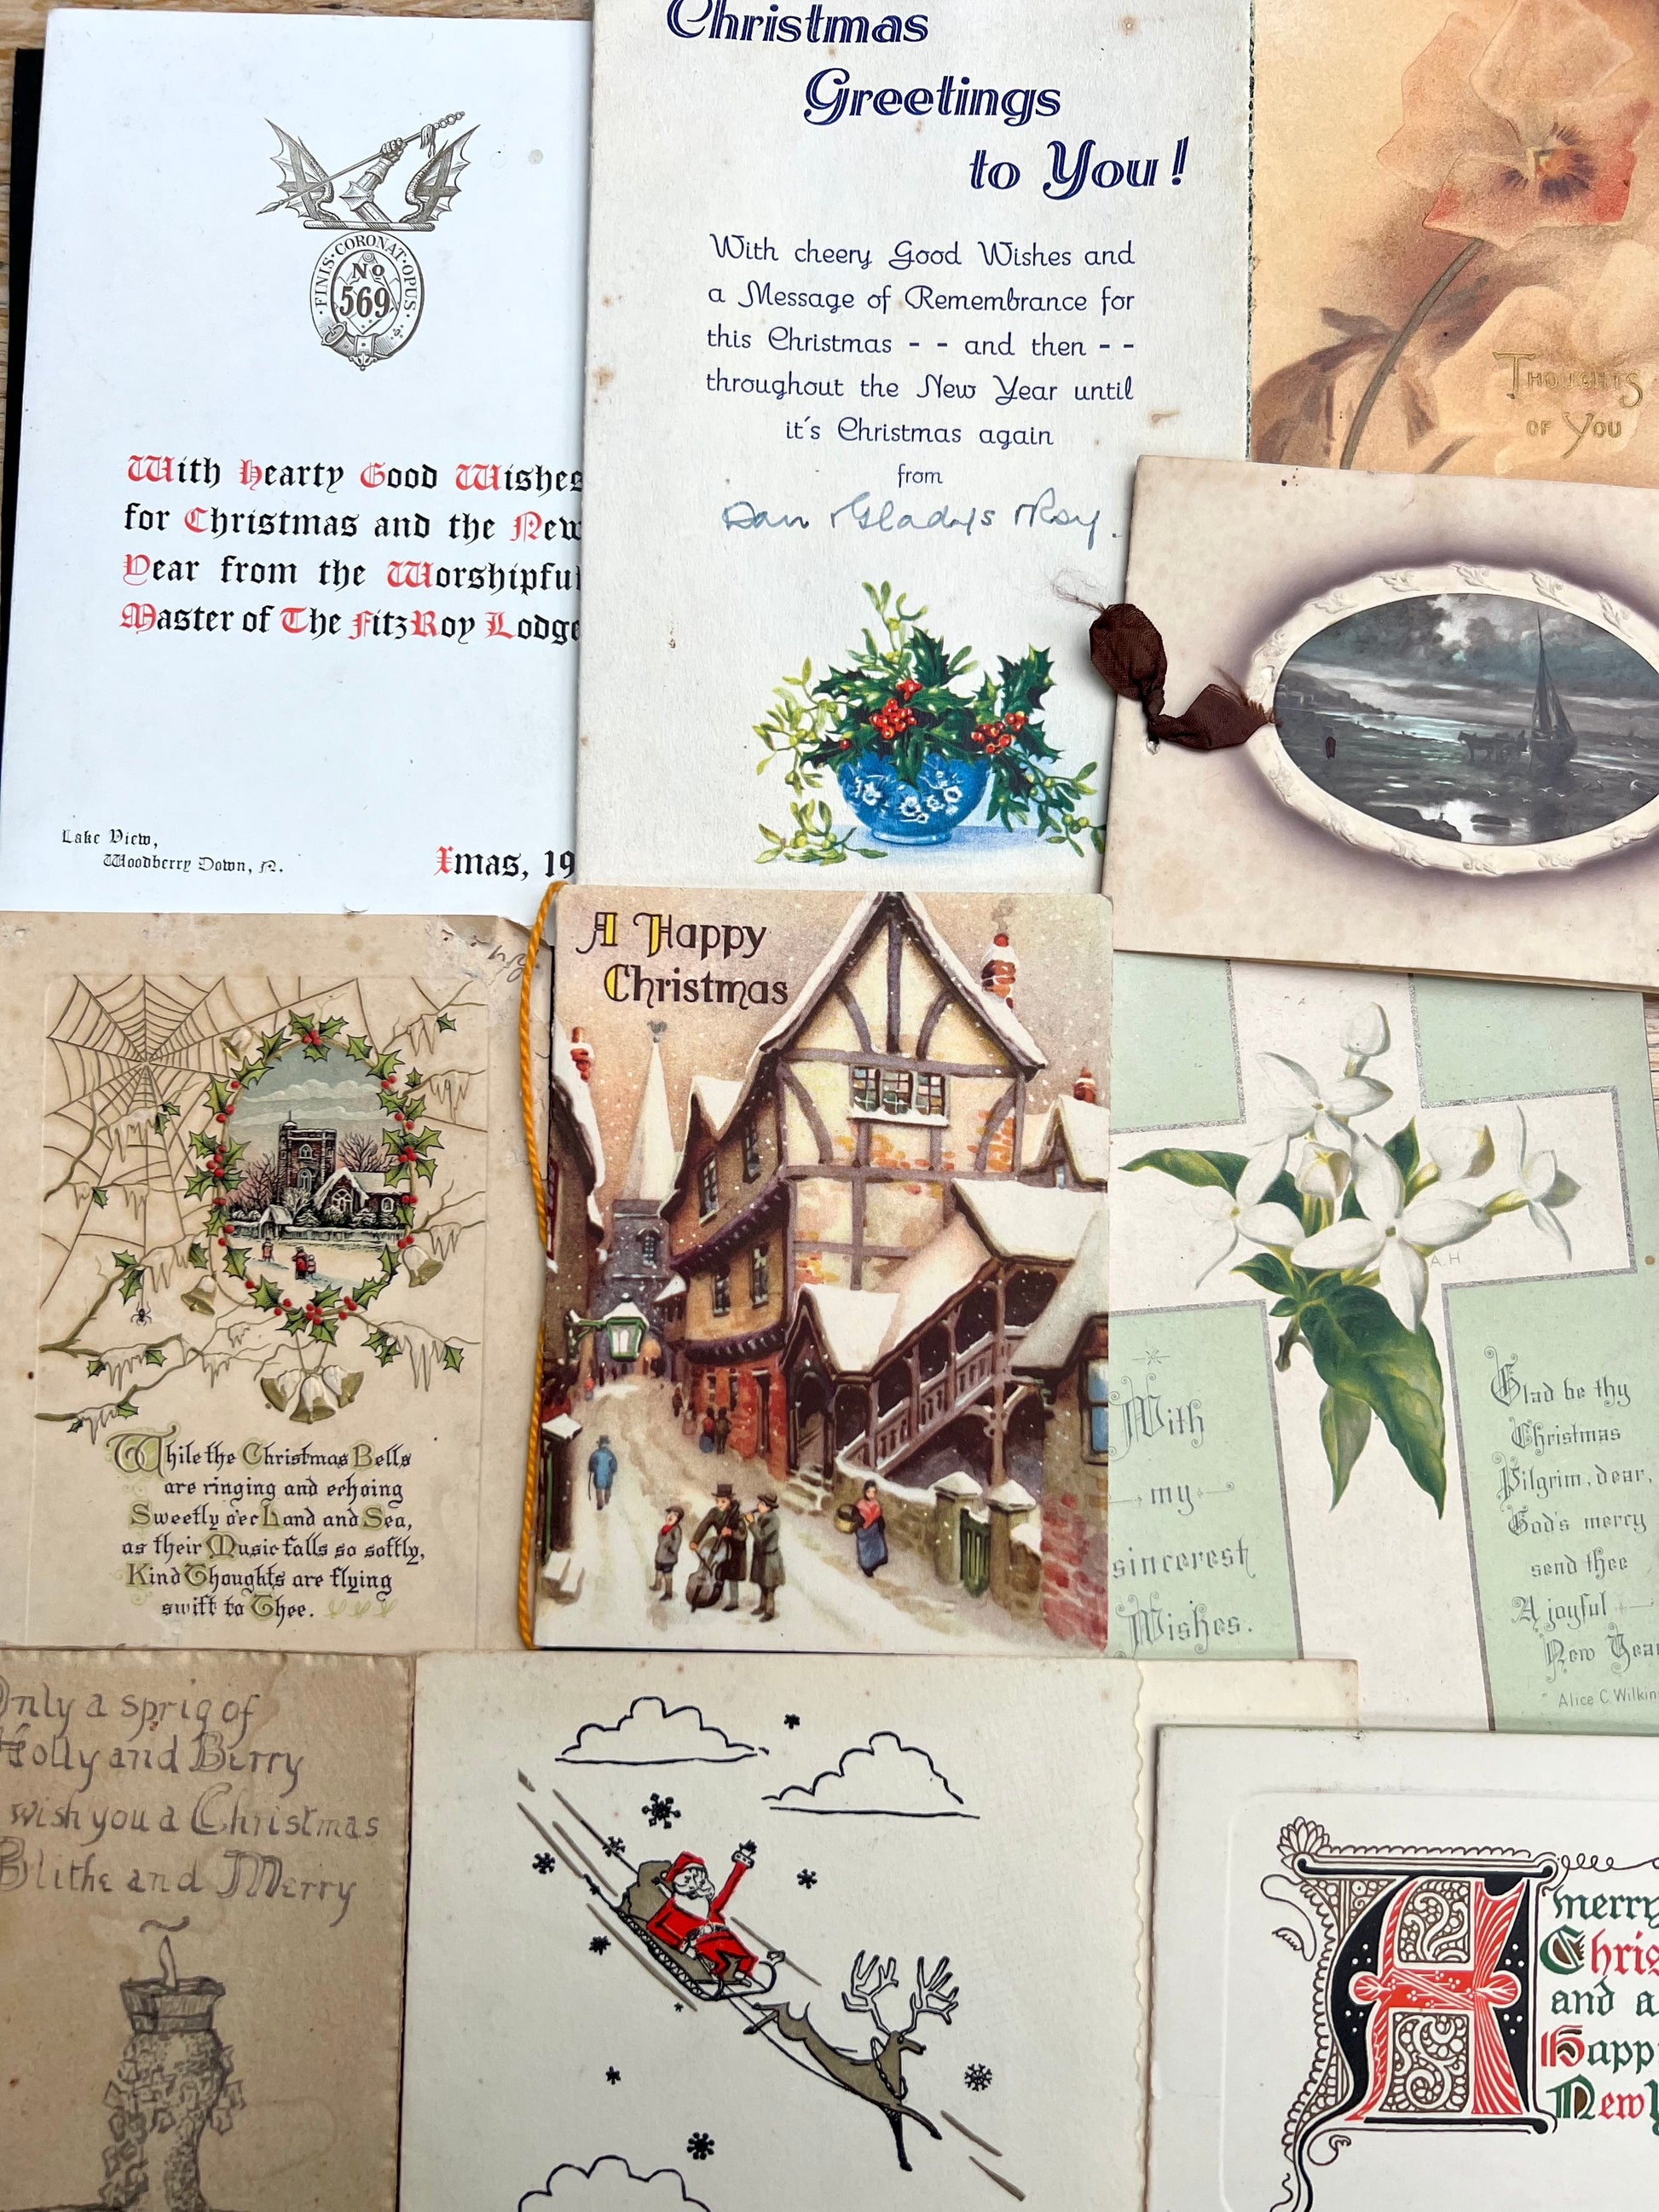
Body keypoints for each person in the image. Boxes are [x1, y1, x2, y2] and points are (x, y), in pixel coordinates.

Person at [645, 1845, 781, 1992]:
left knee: (739, 1949)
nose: (700, 1883)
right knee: (718, 1957)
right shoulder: (673, 1907)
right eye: (694, 1879)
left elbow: (727, 1891)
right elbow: (653, 1926)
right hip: (698, 1942)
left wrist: (741, 1865)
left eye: (702, 1879)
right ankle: (719, 1977)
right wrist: (681, 1944)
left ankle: (747, 1971)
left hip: (721, 1935)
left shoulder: (708, 1906)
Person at [693, 1483, 748, 1611]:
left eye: (723, 1502)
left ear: (730, 1501)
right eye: (717, 1501)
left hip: (735, 1548)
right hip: (721, 1546)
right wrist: (695, 1540)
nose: (719, 1504)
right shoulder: (714, 1513)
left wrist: (731, 1532)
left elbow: (743, 1535)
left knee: (732, 1574)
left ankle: (734, 1601)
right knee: (719, 1572)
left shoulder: (737, 1515)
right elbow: (704, 1525)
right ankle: (716, 1595)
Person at [748, 1492, 783, 1621]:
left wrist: (752, 1523)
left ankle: (769, 1611)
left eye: (762, 1504)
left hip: (770, 1558)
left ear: (769, 1507)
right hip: (762, 1558)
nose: (758, 1506)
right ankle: (762, 1606)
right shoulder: (764, 1517)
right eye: (759, 1503)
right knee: (762, 1583)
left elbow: (761, 1537)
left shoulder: (773, 1520)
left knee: (769, 1587)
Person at [853, 1479, 887, 1577]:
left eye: (873, 1492)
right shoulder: (860, 1504)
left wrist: (880, 1521)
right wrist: (860, 1520)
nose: (871, 1495)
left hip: (874, 1530)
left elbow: (878, 1515)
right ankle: (866, 1566)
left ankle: (877, 1561)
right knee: (865, 1549)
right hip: (864, 1531)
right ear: (865, 1491)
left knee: (877, 1545)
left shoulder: (876, 1503)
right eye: (869, 1492)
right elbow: (855, 1516)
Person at [653, 1505, 685, 1602]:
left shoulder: (676, 1530)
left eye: (675, 1515)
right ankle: (657, 1585)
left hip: (669, 1557)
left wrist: (673, 1549)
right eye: (669, 1514)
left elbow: (677, 1541)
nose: (671, 1516)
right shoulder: (665, 1528)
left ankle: (668, 1593)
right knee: (658, 1570)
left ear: (678, 1519)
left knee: (667, 1574)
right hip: (660, 1555)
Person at [587, 1434, 618, 1513]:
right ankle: (606, 1500)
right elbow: (613, 1464)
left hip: (599, 1475)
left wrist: (592, 1469)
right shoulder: (610, 1454)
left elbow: (592, 1463)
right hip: (608, 1475)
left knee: (599, 1489)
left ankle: (601, 1503)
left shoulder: (596, 1454)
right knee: (607, 1488)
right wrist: (613, 1470)